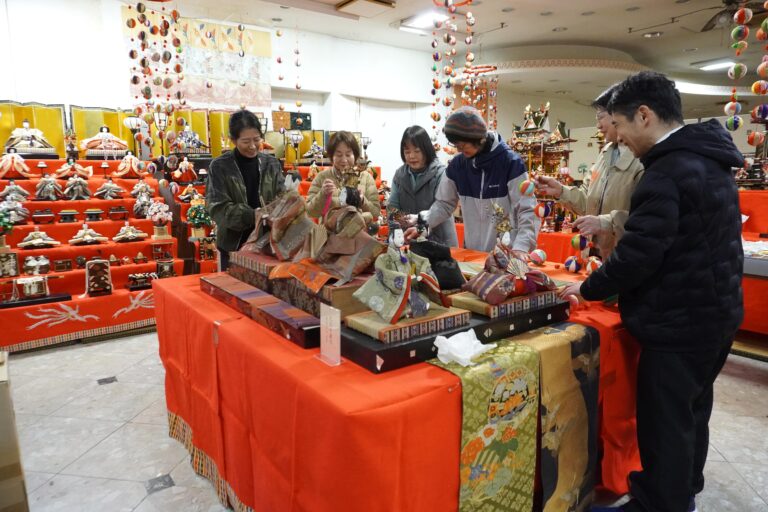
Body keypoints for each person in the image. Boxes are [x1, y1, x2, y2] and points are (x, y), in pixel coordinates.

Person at [560, 72, 743, 512]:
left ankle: (661, 501)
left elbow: (640, 255)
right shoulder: (709, 157)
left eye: (619, 126)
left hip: (678, 321)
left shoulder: (666, 171)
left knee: (666, 421)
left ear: (644, 115)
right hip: (715, 312)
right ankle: (684, 490)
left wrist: (586, 288)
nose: (617, 137)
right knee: (691, 413)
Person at [406, 106, 537, 257]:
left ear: (480, 139)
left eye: (462, 145)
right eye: (456, 146)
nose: (459, 150)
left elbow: (527, 210)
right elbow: (444, 204)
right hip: (472, 254)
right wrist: (422, 226)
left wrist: (521, 247)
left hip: (506, 254)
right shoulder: (457, 166)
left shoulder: (511, 163)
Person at [535, 87, 644, 259]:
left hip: (626, 257)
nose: (598, 125)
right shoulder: (606, 152)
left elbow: (647, 218)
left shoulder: (643, 159)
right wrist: (560, 191)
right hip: (596, 253)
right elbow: (587, 202)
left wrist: (605, 222)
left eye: (601, 117)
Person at [206, 109, 284, 270]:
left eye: (256, 139)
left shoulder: (271, 163)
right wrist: (253, 215)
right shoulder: (220, 166)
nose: (253, 146)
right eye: (245, 141)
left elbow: (281, 196)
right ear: (233, 140)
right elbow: (217, 207)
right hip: (234, 243)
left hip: (267, 243)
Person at [388, 125, 458, 247]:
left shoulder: (441, 173)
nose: (411, 156)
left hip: (440, 242)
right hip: (410, 240)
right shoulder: (399, 175)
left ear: (426, 150)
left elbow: (442, 207)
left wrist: (420, 226)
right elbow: (393, 207)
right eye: (407, 151)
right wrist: (398, 224)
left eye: (417, 151)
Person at [306, 131, 379, 220]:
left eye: (348, 154)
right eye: (339, 155)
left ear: (355, 155)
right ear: (332, 156)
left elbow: (376, 213)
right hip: (331, 232)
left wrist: (363, 201)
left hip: (360, 230)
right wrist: (322, 194)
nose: (344, 160)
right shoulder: (322, 177)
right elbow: (310, 212)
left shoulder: (366, 177)